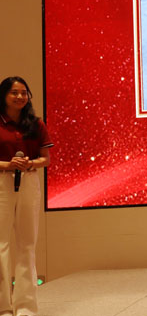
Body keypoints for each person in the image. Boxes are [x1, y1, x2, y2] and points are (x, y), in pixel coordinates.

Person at [0, 77, 53, 316]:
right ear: (4, 95)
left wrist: (29, 163)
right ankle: (3, 306)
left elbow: (46, 159)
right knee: (1, 244)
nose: (20, 97)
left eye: (24, 92)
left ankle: (25, 306)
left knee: (26, 244)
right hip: (2, 180)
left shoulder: (36, 123)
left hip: (29, 181)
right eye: (14, 92)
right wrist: (8, 165)